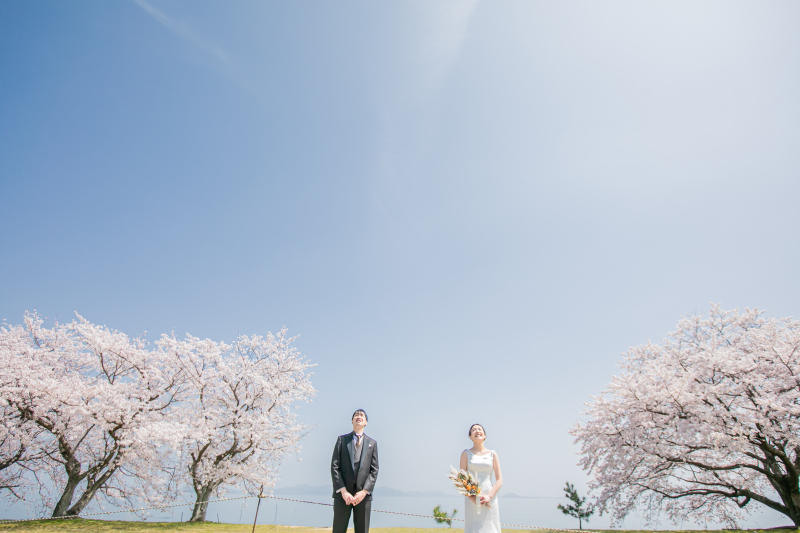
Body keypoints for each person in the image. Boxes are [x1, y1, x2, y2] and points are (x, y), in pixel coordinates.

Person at [331, 409, 379, 533]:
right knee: (338, 530)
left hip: (363, 496)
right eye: (356, 415)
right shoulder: (342, 440)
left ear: (366, 422)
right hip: (343, 495)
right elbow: (335, 466)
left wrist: (364, 492)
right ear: (352, 421)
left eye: (362, 415)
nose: (359, 416)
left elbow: (374, 470)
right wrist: (343, 491)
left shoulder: (372, 443)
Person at [460, 423, 502, 533]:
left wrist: (489, 496)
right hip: (471, 497)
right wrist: (473, 497)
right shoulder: (466, 454)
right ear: (470, 437)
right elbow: (461, 480)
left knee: (491, 528)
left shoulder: (492, 454)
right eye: (474, 430)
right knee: (473, 528)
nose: (477, 431)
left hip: (490, 496)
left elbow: (499, 480)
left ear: (484, 436)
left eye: (480, 429)